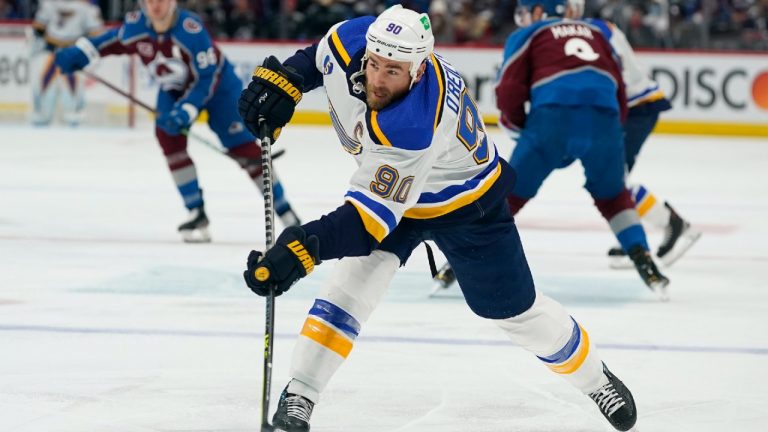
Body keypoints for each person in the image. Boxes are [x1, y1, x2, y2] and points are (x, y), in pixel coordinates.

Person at [239, 5, 637, 431]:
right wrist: (287, 81)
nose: (378, 79)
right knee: (349, 290)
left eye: (393, 71)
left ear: (418, 70)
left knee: (515, 312)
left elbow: (365, 224)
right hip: (395, 194)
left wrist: (301, 249)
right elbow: (318, 58)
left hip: (466, 205)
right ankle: (300, 392)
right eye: (374, 64)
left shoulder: (414, 125)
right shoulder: (352, 38)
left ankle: (596, 380)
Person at [434, 0, 670, 300]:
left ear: (538, 12)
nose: (523, 19)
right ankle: (645, 261)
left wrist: (527, 130)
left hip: (551, 118)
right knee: (614, 197)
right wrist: (607, 128)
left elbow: (508, 91)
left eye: (526, 12)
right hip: (605, 117)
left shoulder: (528, 34)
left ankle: (457, 263)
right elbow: (619, 90)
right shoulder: (598, 31)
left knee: (506, 195)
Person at [53, 0, 300, 242]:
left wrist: (187, 109)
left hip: (219, 88)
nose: (155, 5)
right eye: (149, 1)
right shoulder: (137, 25)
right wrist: (82, 52)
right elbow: (113, 40)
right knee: (168, 137)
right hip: (173, 90)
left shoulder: (191, 30)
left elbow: (206, 78)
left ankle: (286, 212)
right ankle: (195, 211)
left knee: (243, 149)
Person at [570, 0, 702, 269]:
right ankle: (635, 235)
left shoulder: (588, 32)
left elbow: (609, 73)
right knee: (610, 180)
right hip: (630, 107)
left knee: (611, 181)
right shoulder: (593, 28)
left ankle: (669, 225)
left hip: (633, 108)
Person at [30, 0, 104, 126]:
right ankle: (43, 117)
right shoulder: (49, 3)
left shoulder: (87, 7)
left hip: (72, 53)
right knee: (44, 93)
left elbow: (96, 33)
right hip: (51, 52)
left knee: (72, 100)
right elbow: (38, 28)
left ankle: (73, 119)